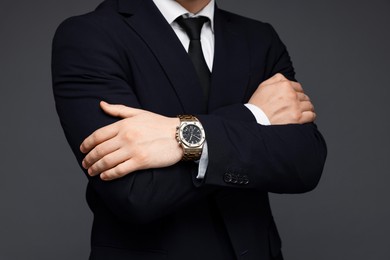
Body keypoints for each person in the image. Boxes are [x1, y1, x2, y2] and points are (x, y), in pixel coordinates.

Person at [52, 0, 327, 259]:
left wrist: (176, 138)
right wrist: (254, 115)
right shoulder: (89, 35)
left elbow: (305, 162)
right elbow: (135, 192)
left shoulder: (259, 38)